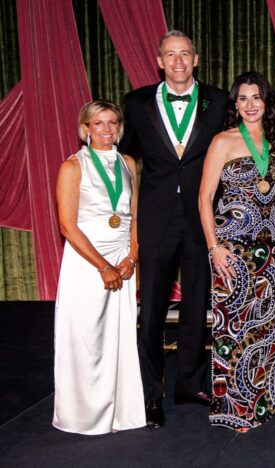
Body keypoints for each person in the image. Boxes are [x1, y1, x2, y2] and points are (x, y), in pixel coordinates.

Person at [120, 30, 229, 428]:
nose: (179, 61)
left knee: (197, 306)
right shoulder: (136, 103)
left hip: (202, 219)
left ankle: (189, 382)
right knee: (150, 311)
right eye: (171, 54)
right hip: (155, 219)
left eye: (185, 54)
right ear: (160, 60)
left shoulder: (220, 101)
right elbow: (123, 158)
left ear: (195, 59)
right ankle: (150, 394)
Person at [198, 72, 275, 432]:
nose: (250, 105)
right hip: (231, 247)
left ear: (267, 101)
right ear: (234, 104)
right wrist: (214, 248)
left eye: (257, 97)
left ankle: (262, 403)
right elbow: (204, 198)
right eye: (243, 98)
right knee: (232, 331)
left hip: (268, 251)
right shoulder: (223, 141)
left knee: (262, 331)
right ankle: (235, 409)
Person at [53, 100, 145, 435]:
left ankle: (121, 412)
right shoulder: (72, 167)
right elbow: (67, 225)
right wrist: (103, 266)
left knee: (119, 335)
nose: (107, 130)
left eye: (113, 123)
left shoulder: (128, 162)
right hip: (87, 259)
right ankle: (85, 416)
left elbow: (135, 213)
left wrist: (132, 256)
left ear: (120, 127)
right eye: (98, 124)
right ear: (85, 129)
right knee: (86, 335)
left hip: (122, 257)